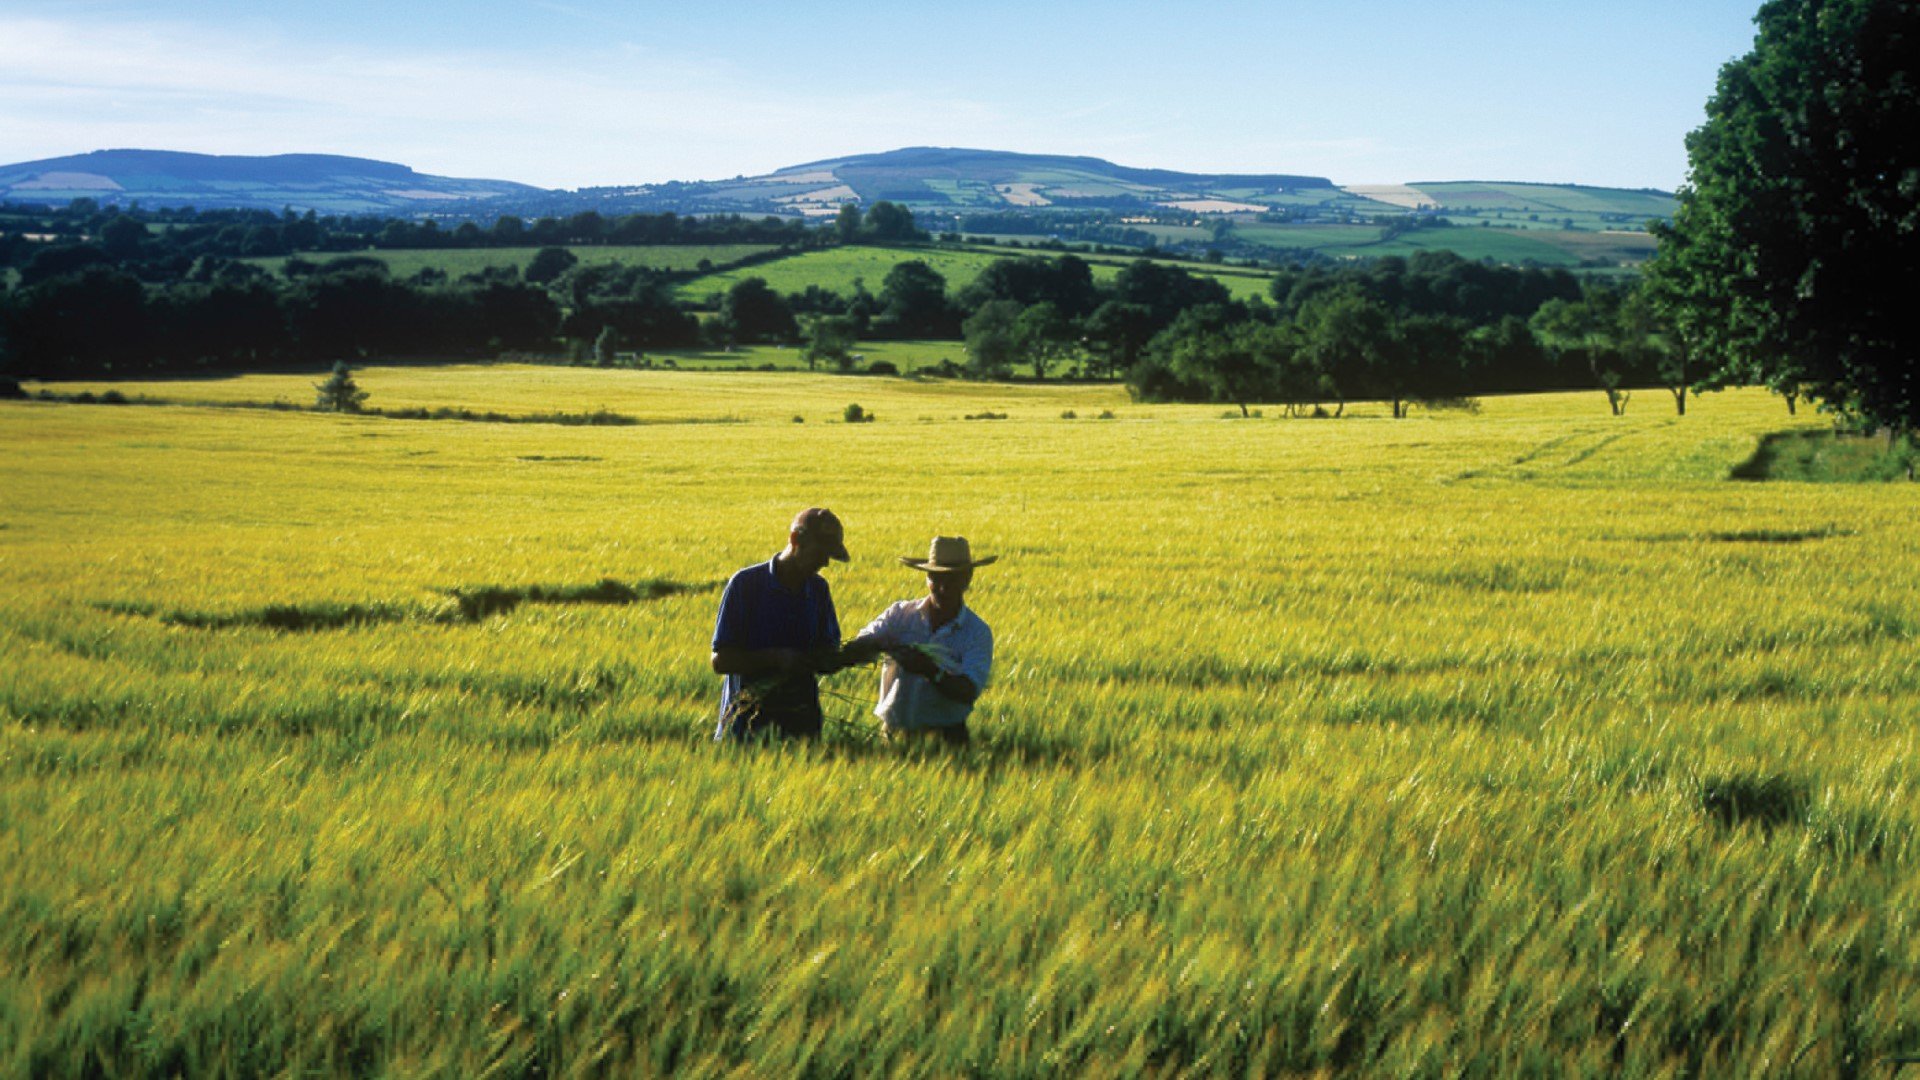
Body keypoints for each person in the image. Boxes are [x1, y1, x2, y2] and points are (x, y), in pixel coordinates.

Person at [840, 536, 995, 745]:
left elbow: (968, 691)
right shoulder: (900, 615)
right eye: (935, 578)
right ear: (926, 577)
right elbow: (859, 646)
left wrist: (929, 670)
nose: (942, 588)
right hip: (893, 734)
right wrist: (880, 645)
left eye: (951, 580)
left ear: (967, 579)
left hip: (947, 739)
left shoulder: (976, 632)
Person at [710, 507, 849, 740]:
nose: (825, 562)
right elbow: (720, 661)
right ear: (795, 540)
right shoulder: (746, 585)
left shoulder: (818, 590)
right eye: (820, 553)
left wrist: (842, 656)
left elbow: (828, 650)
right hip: (746, 730)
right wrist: (775, 658)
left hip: (801, 730)